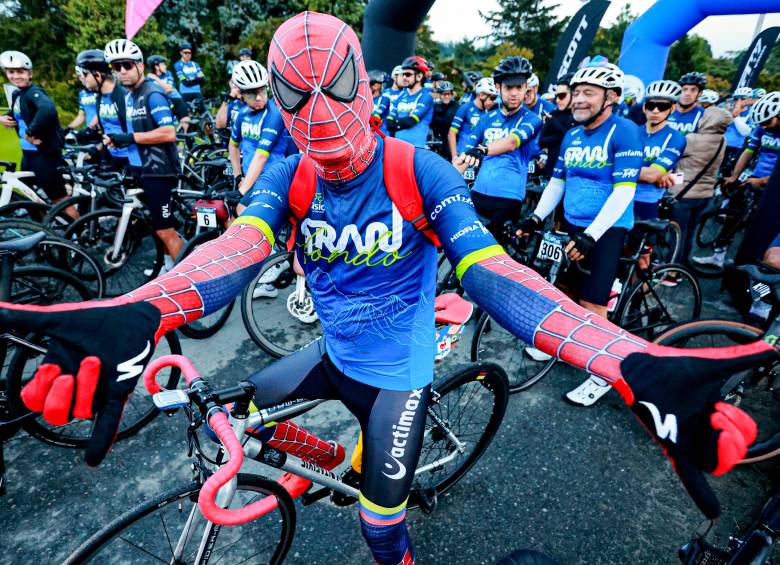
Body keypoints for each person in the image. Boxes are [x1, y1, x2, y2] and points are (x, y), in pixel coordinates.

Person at [1, 13, 773, 565]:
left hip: (400, 377)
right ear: (277, 99)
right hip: (335, 353)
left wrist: (625, 359)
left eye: (333, 90)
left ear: (363, 86)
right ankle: (324, 462)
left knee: (379, 530)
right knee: (226, 418)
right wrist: (143, 306)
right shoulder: (291, 171)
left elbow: (493, 271)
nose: (320, 118)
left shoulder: (416, 169)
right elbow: (239, 246)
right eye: (296, 99)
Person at [516, 61, 644, 406]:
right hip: (573, 224)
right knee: (564, 290)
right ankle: (562, 343)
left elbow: (624, 191)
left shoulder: (625, 130)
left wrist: (593, 234)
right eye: (576, 92)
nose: (578, 99)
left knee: (593, 302)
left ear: (612, 97)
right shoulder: (572, 134)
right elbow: (558, 182)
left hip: (607, 228)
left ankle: (604, 372)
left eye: (588, 92)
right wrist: (536, 217)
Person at [103, 39, 184, 270]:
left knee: (165, 229)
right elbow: (136, 133)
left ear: (139, 64)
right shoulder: (129, 96)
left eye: (126, 65)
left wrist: (130, 138)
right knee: (158, 226)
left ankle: (191, 283)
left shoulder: (152, 93)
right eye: (116, 67)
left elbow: (169, 133)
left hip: (158, 171)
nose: (121, 72)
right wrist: (118, 141)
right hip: (140, 167)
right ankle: (169, 268)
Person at [454, 56, 542, 238]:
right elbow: (465, 157)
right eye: (509, 87)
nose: (515, 93)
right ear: (498, 87)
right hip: (477, 193)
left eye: (519, 87)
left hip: (508, 198)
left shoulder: (532, 119)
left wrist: (482, 150)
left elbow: (511, 143)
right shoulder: (486, 118)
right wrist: (443, 181)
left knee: (490, 258)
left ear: (527, 88)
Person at [694, 92, 780, 269]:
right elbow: (749, 152)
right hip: (754, 177)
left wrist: (763, 181)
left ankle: (755, 263)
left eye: (767, 122)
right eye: (761, 123)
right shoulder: (762, 128)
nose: (764, 126)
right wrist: (734, 176)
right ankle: (718, 255)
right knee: (732, 215)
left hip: (774, 186)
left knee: (757, 227)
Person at [0, 50, 75, 217]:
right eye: (11, 72)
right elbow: (19, 114)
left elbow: (47, 109)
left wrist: (30, 131)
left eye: (20, 72)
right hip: (28, 155)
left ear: (30, 73)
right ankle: (43, 232)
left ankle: (79, 234)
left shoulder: (35, 92)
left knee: (59, 199)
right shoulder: (17, 94)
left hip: (44, 155)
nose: (15, 76)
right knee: (27, 195)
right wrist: (4, 118)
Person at [671, 105, 733, 266]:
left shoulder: (693, 139)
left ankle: (671, 270)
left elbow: (671, 156)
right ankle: (682, 264)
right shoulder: (722, 140)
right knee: (690, 232)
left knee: (678, 234)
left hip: (684, 194)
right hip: (705, 194)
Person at [228, 60, 287, 200]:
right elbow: (233, 144)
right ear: (241, 94)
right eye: (252, 94)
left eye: (262, 90)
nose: (259, 97)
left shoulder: (274, 114)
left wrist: (241, 191)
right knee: (228, 216)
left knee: (243, 215)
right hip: (250, 179)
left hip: (273, 179)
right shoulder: (242, 114)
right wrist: (237, 175)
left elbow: (261, 156)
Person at [633, 80, 687, 221]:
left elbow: (652, 175)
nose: (655, 111)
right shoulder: (631, 133)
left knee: (638, 240)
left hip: (647, 200)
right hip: (619, 194)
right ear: (645, 107)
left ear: (672, 109)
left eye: (662, 106)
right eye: (651, 105)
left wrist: (619, 169)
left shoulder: (676, 138)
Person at [74, 49, 130, 171]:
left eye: (85, 74)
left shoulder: (123, 96)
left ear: (98, 75)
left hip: (129, 160)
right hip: (111, 157)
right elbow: (107, 131)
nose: (83, 78)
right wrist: (97, 148)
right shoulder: (100, 97)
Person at [386, 55, 434, 149]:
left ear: (419, 76)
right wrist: (403, 121)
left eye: (408, 74)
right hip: (398, 146)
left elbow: (411, 122)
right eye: (403, 74)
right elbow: (388, 124)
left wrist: (396, 122)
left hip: (416, 148)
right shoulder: (401, 95)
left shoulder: (426, 96)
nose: (404, 77)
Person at [448, 77, 497, 160]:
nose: (493, 102)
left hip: (482, 156)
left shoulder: (490, 112)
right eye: (492, 98)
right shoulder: (465, 108)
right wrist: (454, 156)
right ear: (481, 95)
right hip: (464, 155)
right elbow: (451, 133)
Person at [538, 73, 576, 177]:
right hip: (550, 171)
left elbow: (572, 141)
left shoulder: (581, 117)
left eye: (562, 96)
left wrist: (554, 125)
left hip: (571, 174)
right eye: (556, 96)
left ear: (574, 94)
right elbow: (542, 142)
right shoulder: (553, 114)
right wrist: (561, 135)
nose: (557, 100)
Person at [146, 54, 189, 129]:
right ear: (156, 66)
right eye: (162, 64)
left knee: (186, 124)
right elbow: (150, 94)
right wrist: (163, 89)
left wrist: (156, 79)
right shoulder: (148, 79)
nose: (165, 66)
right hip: (163, 103)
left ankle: (188, 139)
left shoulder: (168, 74)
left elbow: (169, 88)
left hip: (176, 100)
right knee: (167, 127)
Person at [723, 86, 754, 169]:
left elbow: (746, 132)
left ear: (749, 99)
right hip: (722, 145)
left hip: (737, 149)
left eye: (743, 98)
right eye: (736, 99)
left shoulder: (751, 114)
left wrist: (736, 116)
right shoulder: (727, 110)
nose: (739, 101)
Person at [429, 81, 459, 161]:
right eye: (443, 94)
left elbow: (446, 121)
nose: (446, 96)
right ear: (439, 95)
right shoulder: (436, 105)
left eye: (448, 94)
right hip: (436, 139)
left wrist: (435, 119)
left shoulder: (456, 106)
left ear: (452, 95)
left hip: (451, 139)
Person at [66, 63, 98, 135]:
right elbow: (81, 115)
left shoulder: (102, 92)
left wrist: (91, 127)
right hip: (90, 133)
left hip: (100, 130)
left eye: (82, 75)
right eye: (79, 76)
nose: (80, 78)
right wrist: (69, 128)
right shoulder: (82, 93)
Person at [371, 65, 403, 135]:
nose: (404, 78)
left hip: (395, 125)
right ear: (395, 77)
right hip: (383, 125)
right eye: (402, 76)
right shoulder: (384, 92)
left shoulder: (404, 94)